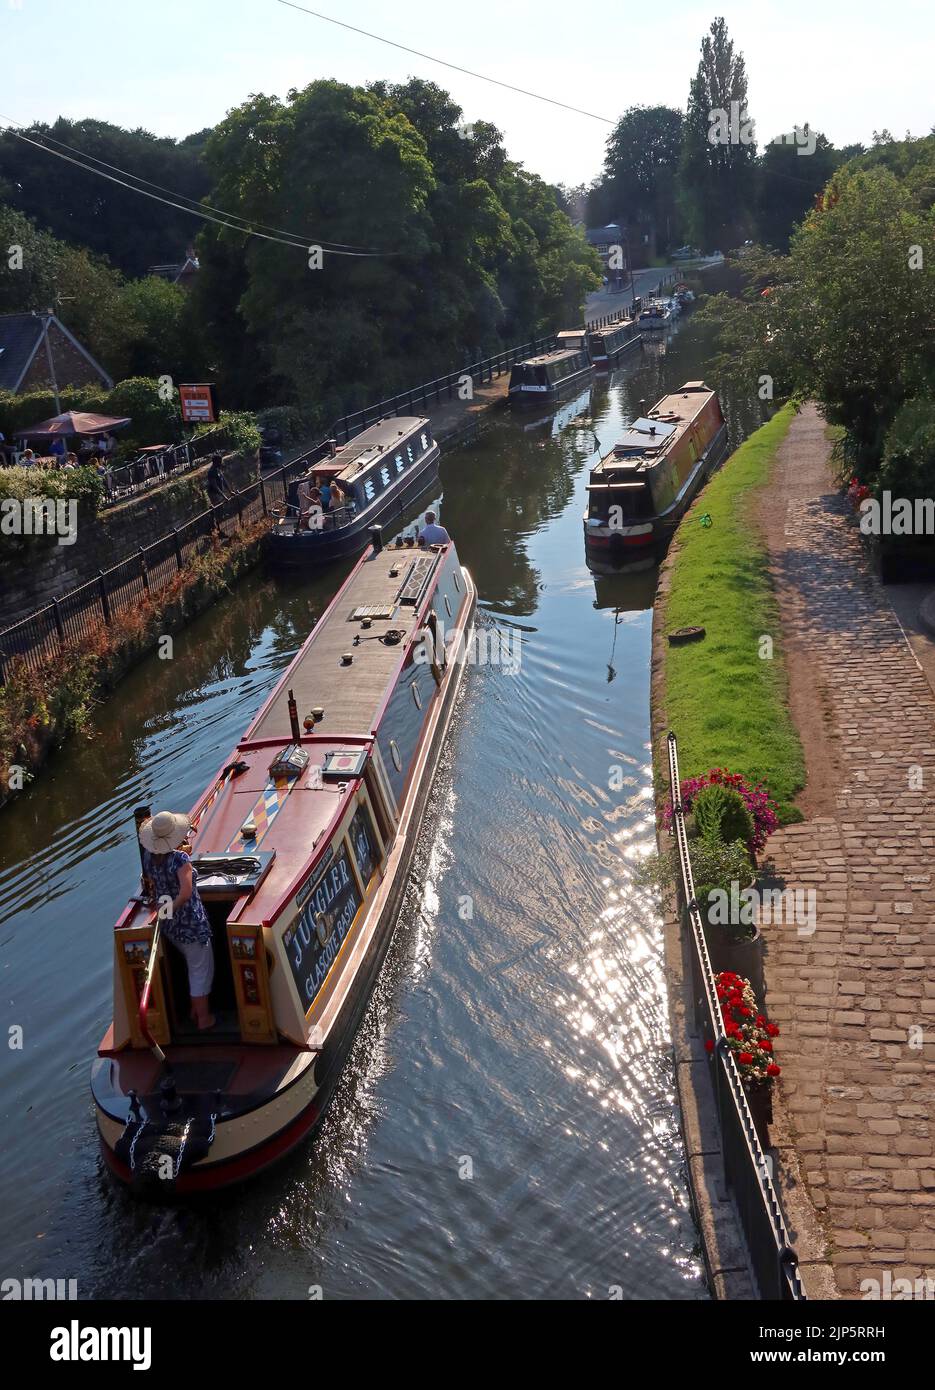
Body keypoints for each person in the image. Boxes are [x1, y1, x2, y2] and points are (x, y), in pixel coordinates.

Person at [138, 811, 215, 1030]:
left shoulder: (149, 858)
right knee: (201, 970)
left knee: (193, 965)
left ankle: (193, 1010)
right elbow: (186, 893)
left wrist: (165, 912)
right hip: (190, 924)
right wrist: (174, 906)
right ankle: (204, 1019)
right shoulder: (181, 859)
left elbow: (156, 885)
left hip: (170, 925)